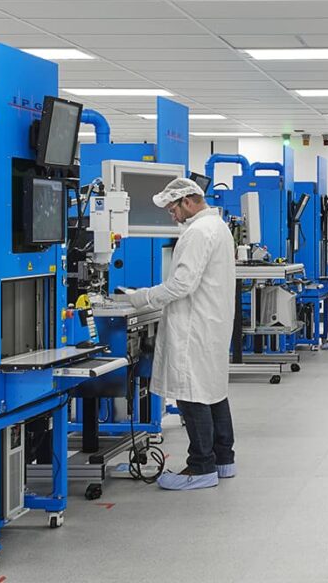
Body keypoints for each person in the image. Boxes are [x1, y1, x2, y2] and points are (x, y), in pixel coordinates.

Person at [121, 178, 237, 491]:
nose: (172, 215)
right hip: (211, 322)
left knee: (191, 392)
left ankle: (200, 466)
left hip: (194, 325)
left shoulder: (198, 232)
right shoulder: (218, 226)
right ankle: (223, 458)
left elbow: (181, 285)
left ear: (187, 201)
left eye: (173, 209)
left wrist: (141, 297)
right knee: (212, 390)